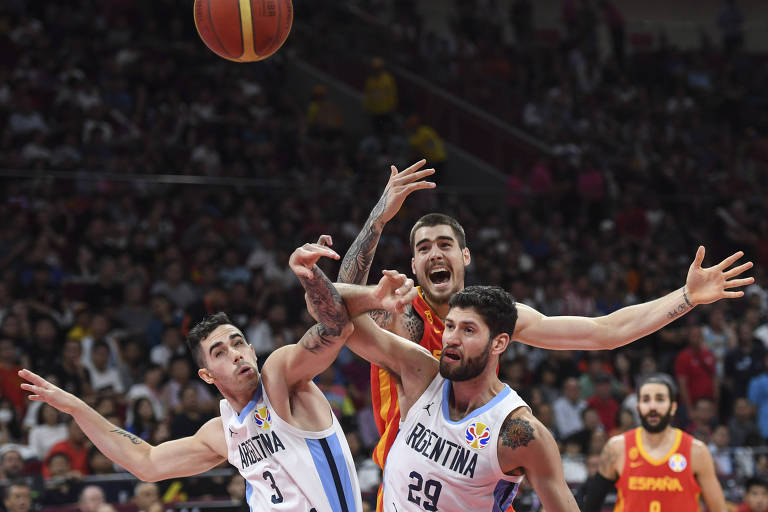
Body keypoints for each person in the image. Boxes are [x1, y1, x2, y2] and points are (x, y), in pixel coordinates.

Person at [338, 162, 754, 507]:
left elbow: (604, 332)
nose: (435, 253)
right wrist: (379, 218)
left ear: (465, 255)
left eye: (444, 244)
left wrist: (686, 296)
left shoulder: (496, 314)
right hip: (408, 484)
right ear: (413, 263)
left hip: (472, 471)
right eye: (424, 248)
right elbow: (337, 312)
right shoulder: (400, 308)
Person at [18, 238, 417, 512]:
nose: (237, 354)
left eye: (239, 342)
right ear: (208, 376)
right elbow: (146, 463)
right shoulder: (222, 432)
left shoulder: (281, 380)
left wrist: (320, 282)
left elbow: (335, 328)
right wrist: (73, 406)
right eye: (220, 352)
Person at [333, 284, 581, 511]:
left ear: (498, 344)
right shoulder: (420, 375)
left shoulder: (519, 431)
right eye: (450, 326)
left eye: (468, 330)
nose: (452, 338)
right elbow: (331, 312)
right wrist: (370, 296)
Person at [581, 373, 727, 512]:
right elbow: (591, 505)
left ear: (673, 407)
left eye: (660, 399)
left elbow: (719, 509)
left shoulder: (696, 451)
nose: (652, 407)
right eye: (646, 400)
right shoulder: (617, 447)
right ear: (638, 407)